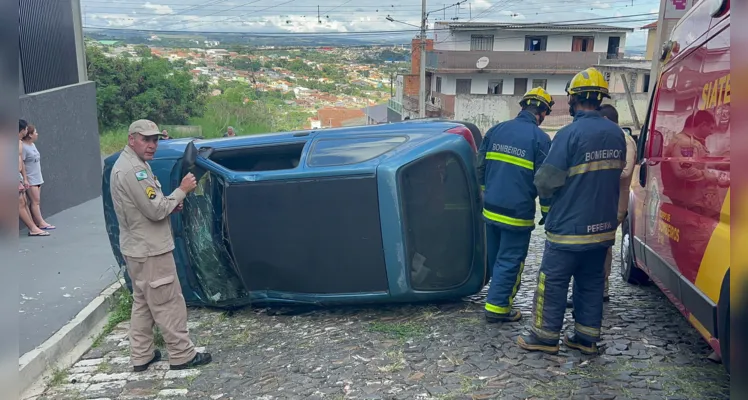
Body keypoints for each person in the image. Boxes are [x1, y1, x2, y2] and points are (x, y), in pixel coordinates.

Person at [517, 67, 627, 355]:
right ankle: (586, 337)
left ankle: (544, 335)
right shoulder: (617, 135)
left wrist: (548, 206)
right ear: (601, 99)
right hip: (602, 226)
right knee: (591, 281)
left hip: (569, 227)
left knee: (552, 281)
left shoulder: (569, 134)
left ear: (573, 100)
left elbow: (546, 180)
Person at [110, 119, 212, 371]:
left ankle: (141, 354)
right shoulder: (135, 170)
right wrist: (182, 190)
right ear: (131, 139)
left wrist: (169, 203)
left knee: (143, 302)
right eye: (146, 139)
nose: (152, 145)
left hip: (137, 248)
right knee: (167, 302)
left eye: (155, 139)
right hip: (151, 249)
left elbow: (151, 206)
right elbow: (156, 210)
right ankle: (182, 354)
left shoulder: (131, 164)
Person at [477, 87, 554, 323]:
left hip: (491, 208)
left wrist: (486, 193)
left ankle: (494, 297)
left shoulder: (496, 130)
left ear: (523, 106)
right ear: (541, 113)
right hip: (517, 213)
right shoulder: (540, 139)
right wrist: (547, 212)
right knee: (510, 259)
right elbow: (545, 182)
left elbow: (480, 167)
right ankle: (498, 308)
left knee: (496, 255)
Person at [565, 104, 636, 307]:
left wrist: (595, 171)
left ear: (605, 120)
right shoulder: (613, 137)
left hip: (614, 202)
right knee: (594, 245)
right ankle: (592, 290)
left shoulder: (624, 140)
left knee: (602, 247)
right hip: (602, 198)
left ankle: (599, 290)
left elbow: (625, 170)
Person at [18, 119, 49, 237]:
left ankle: (34, 226)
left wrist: (23, 178)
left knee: (24, 202)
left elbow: (20, 162)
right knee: (20, 203)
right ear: (23, 130)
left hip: (19, 176)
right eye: (26, 129)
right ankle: (33, 227)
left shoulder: (20, 143)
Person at [21, 124, 55, 230]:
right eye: (35, 132)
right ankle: (41, 222)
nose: (37, 134)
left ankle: (37, 221)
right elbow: (21, 163)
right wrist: (25, 179)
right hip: (31, 179)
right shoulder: (23, 147)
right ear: (30, 135)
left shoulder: (32, 145)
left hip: (37, 177)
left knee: (37, 201)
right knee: (35, 201)